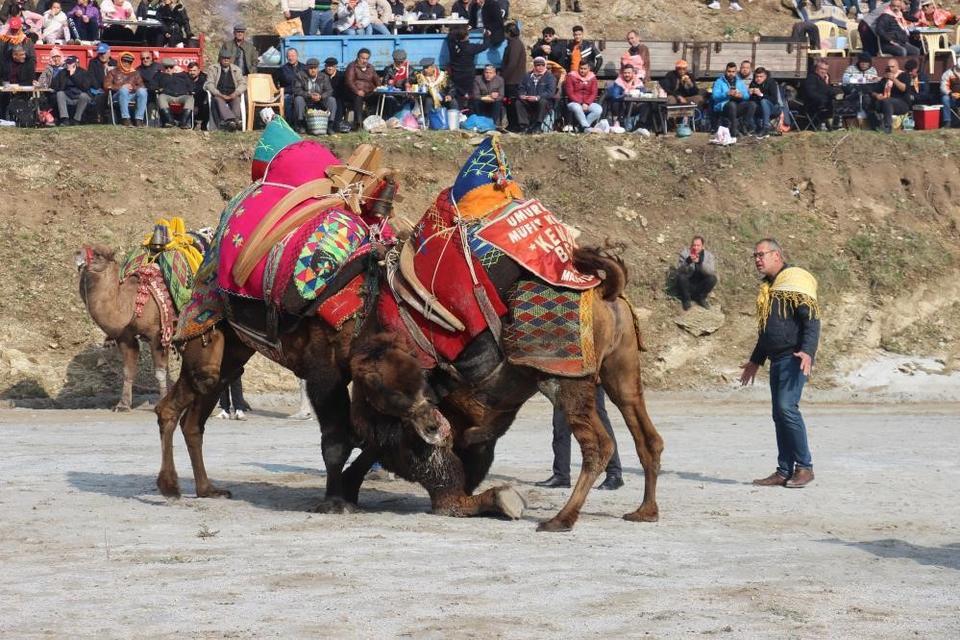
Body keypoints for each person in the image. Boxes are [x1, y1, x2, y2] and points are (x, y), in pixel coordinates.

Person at [740, 238, 820, 489]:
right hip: (776, 359)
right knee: (779, 415)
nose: (757, 259)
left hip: (794, 357)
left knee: (787, 409)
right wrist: (755, 360)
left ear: (777, 255)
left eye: (761, 254)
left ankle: (804, 467)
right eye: (755, 255)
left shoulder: (795, 280)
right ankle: (784, 470)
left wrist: (807, 352)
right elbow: (768, 331)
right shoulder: (769, 288)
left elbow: (812, 320)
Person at [535, 387, 624, 491]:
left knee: (600, 422)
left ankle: (614, 474)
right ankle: (561, 476)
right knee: (560, 424)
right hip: (565, 379)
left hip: (590, 377)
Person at [204, 48, 246, 131]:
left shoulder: (236, 69)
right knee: (218, 99)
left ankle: (234, 122)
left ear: (231, 59)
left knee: (237, 100)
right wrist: (218, 94)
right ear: (220, 58)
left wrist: (236, 93)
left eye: (228, 58)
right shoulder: (213, 68)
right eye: (224, 58)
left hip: (232, 94)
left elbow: (243, 83)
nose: (226, 60)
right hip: (219, 94)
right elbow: (209, 83)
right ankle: (231, 121)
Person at [712, 61, 756, 138]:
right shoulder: (719, 82)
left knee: (752, 104)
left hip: (737, 105)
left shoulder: (739, 82)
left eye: (733, 71)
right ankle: (734, 129)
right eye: (729, 71)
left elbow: (746, 96)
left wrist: (741, 95)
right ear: (726, 71)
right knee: (732, 105)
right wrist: (726, 93)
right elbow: (715, 96)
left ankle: (744, 126)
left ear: (736, 72)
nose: (731, 73)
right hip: (724, 106)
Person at [104, 51, 148, 126]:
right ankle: (125, 118)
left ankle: (139, 119)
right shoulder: (112, 72)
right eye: (125, 61)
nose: (127, 63)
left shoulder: (135, 73)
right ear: (120, 61)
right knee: (124, 90)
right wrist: (121, 87)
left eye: (129, 62)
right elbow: (106, 85)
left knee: (143, 91)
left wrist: (133, 87)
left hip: (132, 95)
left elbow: (142, 86)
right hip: (117, 95)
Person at [447, 25, 487, 106]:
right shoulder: (470, 47)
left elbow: (449, 37)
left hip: (456, 75)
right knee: (470, 98)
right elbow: (485, 46)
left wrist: (455, 30)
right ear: (466, 36)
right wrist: (487, 36)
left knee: (458, 96)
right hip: (468, 76)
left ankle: (459, 112)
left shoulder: (452, 46)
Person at [675, 235, 718, 310]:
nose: (696, 247)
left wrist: (700, 263)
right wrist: (687, 262)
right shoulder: (685, 253)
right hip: (688, 285)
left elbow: (711, 271)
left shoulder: (709, 256)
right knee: (681, 277)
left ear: (702, 246)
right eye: (694, 245)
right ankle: (686, 300)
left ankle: (701, 298)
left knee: (713, 279)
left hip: (700, 285)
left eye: (698, 245)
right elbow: (679, 270)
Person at [294, 57, 336, 133]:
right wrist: (309, 95)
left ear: (318, 68)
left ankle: (330, 125)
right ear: (307, 68)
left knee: (332, 100)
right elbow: (297, 90)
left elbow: (329, 90)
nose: (313, 70)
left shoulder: (323, 76)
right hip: (306, 100)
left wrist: (321, 96)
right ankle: (301, 124)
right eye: (311, 68)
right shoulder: (300, 75)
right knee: (298, 99)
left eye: (315, 68)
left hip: (320, 100)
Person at [871, 57, 912, 133]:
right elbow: (874, 91)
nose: (890, 69)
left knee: (887, 101)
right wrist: (877, 95)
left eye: (892, 67)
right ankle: (874, 126)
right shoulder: (885, 78)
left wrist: (894, 79)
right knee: (872, 101)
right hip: (886, 101)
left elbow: (904, 89)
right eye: (889, 67)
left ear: (897, 67)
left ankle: (887, 127)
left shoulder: (904, 75)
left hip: (901, 103)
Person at [517, 56, 555, 133]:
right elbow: (521, 87)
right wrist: (522, 94)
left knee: (543, 101)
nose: (540, 67)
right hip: (528, 100)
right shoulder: (527, 76)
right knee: (519, 102)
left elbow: (550, 92)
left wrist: (537, 97)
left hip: (543, 101)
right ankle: (524, 126)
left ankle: (538, 125)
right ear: (534, 66)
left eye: (542, 65)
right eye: (538, 65)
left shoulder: (550, 77)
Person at [345, 47, 379, 129]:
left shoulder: (370, 67)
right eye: (363, 58)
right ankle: (358, 124)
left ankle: (378, 121)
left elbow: (376, 80)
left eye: (367, 59)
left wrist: (379, 87)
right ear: (358, 58)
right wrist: (357, 91)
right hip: (353, 93)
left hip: (368, 92)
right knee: (358, 97)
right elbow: (349, 81)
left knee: (382, 97)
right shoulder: (352, 66)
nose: (365, 61)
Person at [500, 21, 526, 131]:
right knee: (509, 104)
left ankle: (516, 125)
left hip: (513, 80)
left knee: (513, 103)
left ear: (509, 33)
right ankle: (512, 124)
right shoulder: (513, 43)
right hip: (512, 79)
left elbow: (512, 64)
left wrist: (503, 77)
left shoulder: (515, 44)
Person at [52, 54, 91, 125]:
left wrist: (73, 76)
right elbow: (56, 86)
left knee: (84, 96)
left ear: (75, 64)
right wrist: (67, 76)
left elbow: (85, 87)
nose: (68, 65)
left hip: (79, 96)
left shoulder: (83, 72)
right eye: (67, 63)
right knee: (60, 94)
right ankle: (65, 119)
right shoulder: (63, 72)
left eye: (70, 63)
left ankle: (76, 119)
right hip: (68, 96)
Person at [563, 58, 600, 132]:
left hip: (587, 102)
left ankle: (581, 127)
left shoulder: (592, 78)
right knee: (577, 108)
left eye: (584, 69)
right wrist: (580, 103)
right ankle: (586, 127)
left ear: (589, 68)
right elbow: (570, 92)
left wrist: (586, 103)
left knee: (598, 109)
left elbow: (594, 92)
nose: (582, 70)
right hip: (574, 102)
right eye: (581, 68)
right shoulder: (571, 76)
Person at [156, 57, 193, 128]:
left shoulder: (183, 74)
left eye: (171, 67)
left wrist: (190, 91)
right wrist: (165, 76)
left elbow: (191, 85)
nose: (169, 69)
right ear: (163, 67)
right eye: (166, 67)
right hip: (167, 95)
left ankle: (183, 123)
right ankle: (170, 121)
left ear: (174, 67)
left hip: (182, 95)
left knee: (190, 98)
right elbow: (153, 85)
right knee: (161, 97)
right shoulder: (160, 74)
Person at [801, 58, 837, 129]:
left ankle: (835, 125)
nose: (824, 71)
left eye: (826, 69)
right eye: (822, 69)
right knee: (828, 103)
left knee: (838, 102)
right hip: (811, 104)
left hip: (823, 103)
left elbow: (830, 92)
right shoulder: (811, 78)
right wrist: (824, 98)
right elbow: (811, 93)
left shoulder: (824, 79)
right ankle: (826, 126)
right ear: (816, 68)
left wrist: (827, 83)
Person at [0, 44, 34, 119]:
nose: (24, 56)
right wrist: (4, 83)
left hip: (22, 90)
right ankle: (3, 118)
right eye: (21, 55)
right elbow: (1, 76)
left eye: (24, 54)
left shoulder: (29, 63)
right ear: (14, 55)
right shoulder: (5, 62)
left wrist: (16, 87)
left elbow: (30, 80)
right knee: (3, 96)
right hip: (6, 89)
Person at [604, 63, 640, 133]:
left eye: (629, 73)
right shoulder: (619, 82)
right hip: (621, 106)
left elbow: (643, 92)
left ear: (633, 73)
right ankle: (617, 123)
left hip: (634, 105)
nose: (627, 75)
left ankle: (640, 125)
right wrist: (624, 95)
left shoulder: (637, 81)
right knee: (616, 102)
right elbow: (615, 96)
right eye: (625, 73)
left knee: (645, 105)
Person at [274, 47, 305, 124]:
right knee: (287, 100)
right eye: (289, 56)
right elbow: (274, 82)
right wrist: (279, 91)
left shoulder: (304, 68)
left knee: (300, 100)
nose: (291, 58)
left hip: (301, 93)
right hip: (287, 92)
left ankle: (301, 123)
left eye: (293, 56)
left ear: (297, 56)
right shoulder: (282, 69)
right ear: (287, 57)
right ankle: (289, 124)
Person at [748, 66, 781, 138]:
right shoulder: (753, 83)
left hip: (774, 108)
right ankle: (754, 127)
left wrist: (761, 94)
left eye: (761, 76)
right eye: (757, 76)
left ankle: (766, 128)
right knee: (751, 104)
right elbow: (752, 101)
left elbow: (774, 100)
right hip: (760, 109)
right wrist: (750, 95)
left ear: (765, 76)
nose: (758, 78)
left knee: (764, 101)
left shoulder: (771, 83)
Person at [380, 48, 412, 118]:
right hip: (392, 93)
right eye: (398, 62)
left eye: (402, 62)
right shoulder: (388, 69)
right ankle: (390, 118)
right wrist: (388, 82)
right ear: (394, 61)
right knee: (389, 99)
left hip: (405, 94)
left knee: (412, 99)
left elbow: (414, 79)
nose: (400, 64)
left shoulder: (409, 69)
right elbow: (384, 83)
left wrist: (408, 82)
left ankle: (407, 118)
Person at [324, 56, 349, 132]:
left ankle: (336, 124)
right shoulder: (321, 75)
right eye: (328, 66)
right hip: (325, 97)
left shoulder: (341, 76)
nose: (330, 68)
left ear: (335, 67)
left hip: (338, 97)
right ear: (325, 67)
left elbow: (343, 90)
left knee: (338, 101)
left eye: (332, 66)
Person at [940, 59, 960, 127]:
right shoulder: (948, 73)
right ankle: (947, 121)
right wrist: (950, 93)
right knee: (945, 98)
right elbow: (943, 86)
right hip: (952, 98)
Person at [187, 60, 207, 128]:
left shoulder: (204, 79)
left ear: (199, 70)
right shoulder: (185, 78)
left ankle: (204, 126)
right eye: (190, 70)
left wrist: (196, 106)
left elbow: (203, 94)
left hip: (201, 103)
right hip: (188, 102)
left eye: (194, 70)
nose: (192, 73)